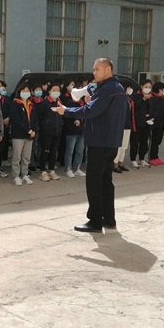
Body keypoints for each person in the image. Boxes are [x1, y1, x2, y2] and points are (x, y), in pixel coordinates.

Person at [54, 58, 127, 233]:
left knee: (94, 181)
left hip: (100, 141)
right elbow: (102, 111)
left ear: (108, 69)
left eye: (97, 69)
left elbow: (91, 111)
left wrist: (66, 111)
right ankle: (108, 219)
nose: (94, 73)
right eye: (94, 69)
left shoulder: (108, 89)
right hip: (110, 141)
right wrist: (90, 102)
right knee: (105, 181)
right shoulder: (117, 88)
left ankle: (95, 221)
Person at [9, 81, 37, 186]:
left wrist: (34, 130)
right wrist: (27, 129)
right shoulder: (15, 104)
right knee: (17, 156)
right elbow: (16, 119)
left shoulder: (31, 104)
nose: (25, 92)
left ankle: (24, 174)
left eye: (27, 91)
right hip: (18, 135)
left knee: (26, 156)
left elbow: (35, 119)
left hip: (30, 135)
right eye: (23, 91)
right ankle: (16, 176)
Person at [37, 83, 63, 182]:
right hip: (46, 132)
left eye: (58, 90)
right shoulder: (44, 103)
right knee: (45, 151)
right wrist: (43, 127)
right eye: (54, 90)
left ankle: (51, 170)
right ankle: (43, 171)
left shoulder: (59, 102)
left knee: (53, 152)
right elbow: (39, 117)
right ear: (49, 91)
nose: (56, 92)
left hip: (57, 131)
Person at [62, 80, 86, 178]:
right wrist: (76, 119)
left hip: (82, 130)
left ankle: (77, 168)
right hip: (71, 130)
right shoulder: (69, 102)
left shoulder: (83, 103)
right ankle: (68, 169)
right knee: (70, 150)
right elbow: (67, 114)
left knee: (80, 150)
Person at [129, 79, 152, 168]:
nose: (147, 88)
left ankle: (142, 159)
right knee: (135, 142)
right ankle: (133, 159)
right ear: (141, 86)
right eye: (146, 87)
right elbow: (134, 106)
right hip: (137, 123)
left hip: (147, 122)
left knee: (144, 142)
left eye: (149, 87)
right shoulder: (135, 95)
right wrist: (143, 99)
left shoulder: (151, 96)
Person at [113, 85, 134, 173]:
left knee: (124, 146)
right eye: (128, 88)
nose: (130, 89)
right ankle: (115, 164)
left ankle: (121, 162)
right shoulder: (119, 99)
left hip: (127, 124)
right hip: (120, 124)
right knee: (119, 145)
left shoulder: (128, 99)